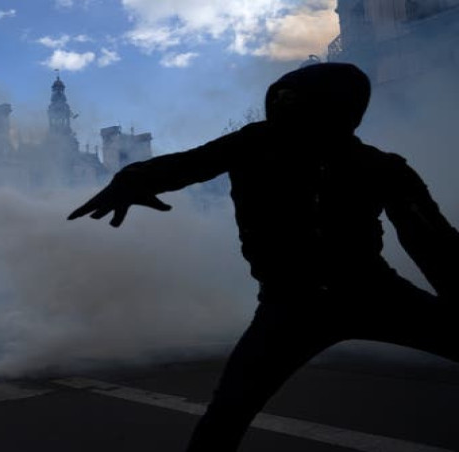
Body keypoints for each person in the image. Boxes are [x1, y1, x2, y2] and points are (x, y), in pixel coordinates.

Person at [68, 62, 459, 451]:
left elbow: (434, 245)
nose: (285, 109)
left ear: (338, 109)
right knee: (228, 412)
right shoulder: (255, 144)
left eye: (296, 101)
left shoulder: (383, 167)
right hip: (291, 304)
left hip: (372, 293)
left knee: (227, 413)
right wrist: (131, 179)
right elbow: (187, 165)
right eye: (282, 99)